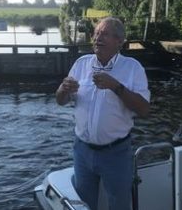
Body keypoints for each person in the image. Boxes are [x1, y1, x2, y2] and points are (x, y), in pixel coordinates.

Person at [56, 17, 150, 210]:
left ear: (119, 41)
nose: (98, 38)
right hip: (82, 151)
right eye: (96, 33)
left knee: (119, 205)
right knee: (84, 204)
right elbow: (60, 100)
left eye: (104, 34)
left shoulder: (133, 68)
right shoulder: (81, 63)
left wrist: (115, 86)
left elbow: (143, 109)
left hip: (115, 153)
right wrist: (64, 89)